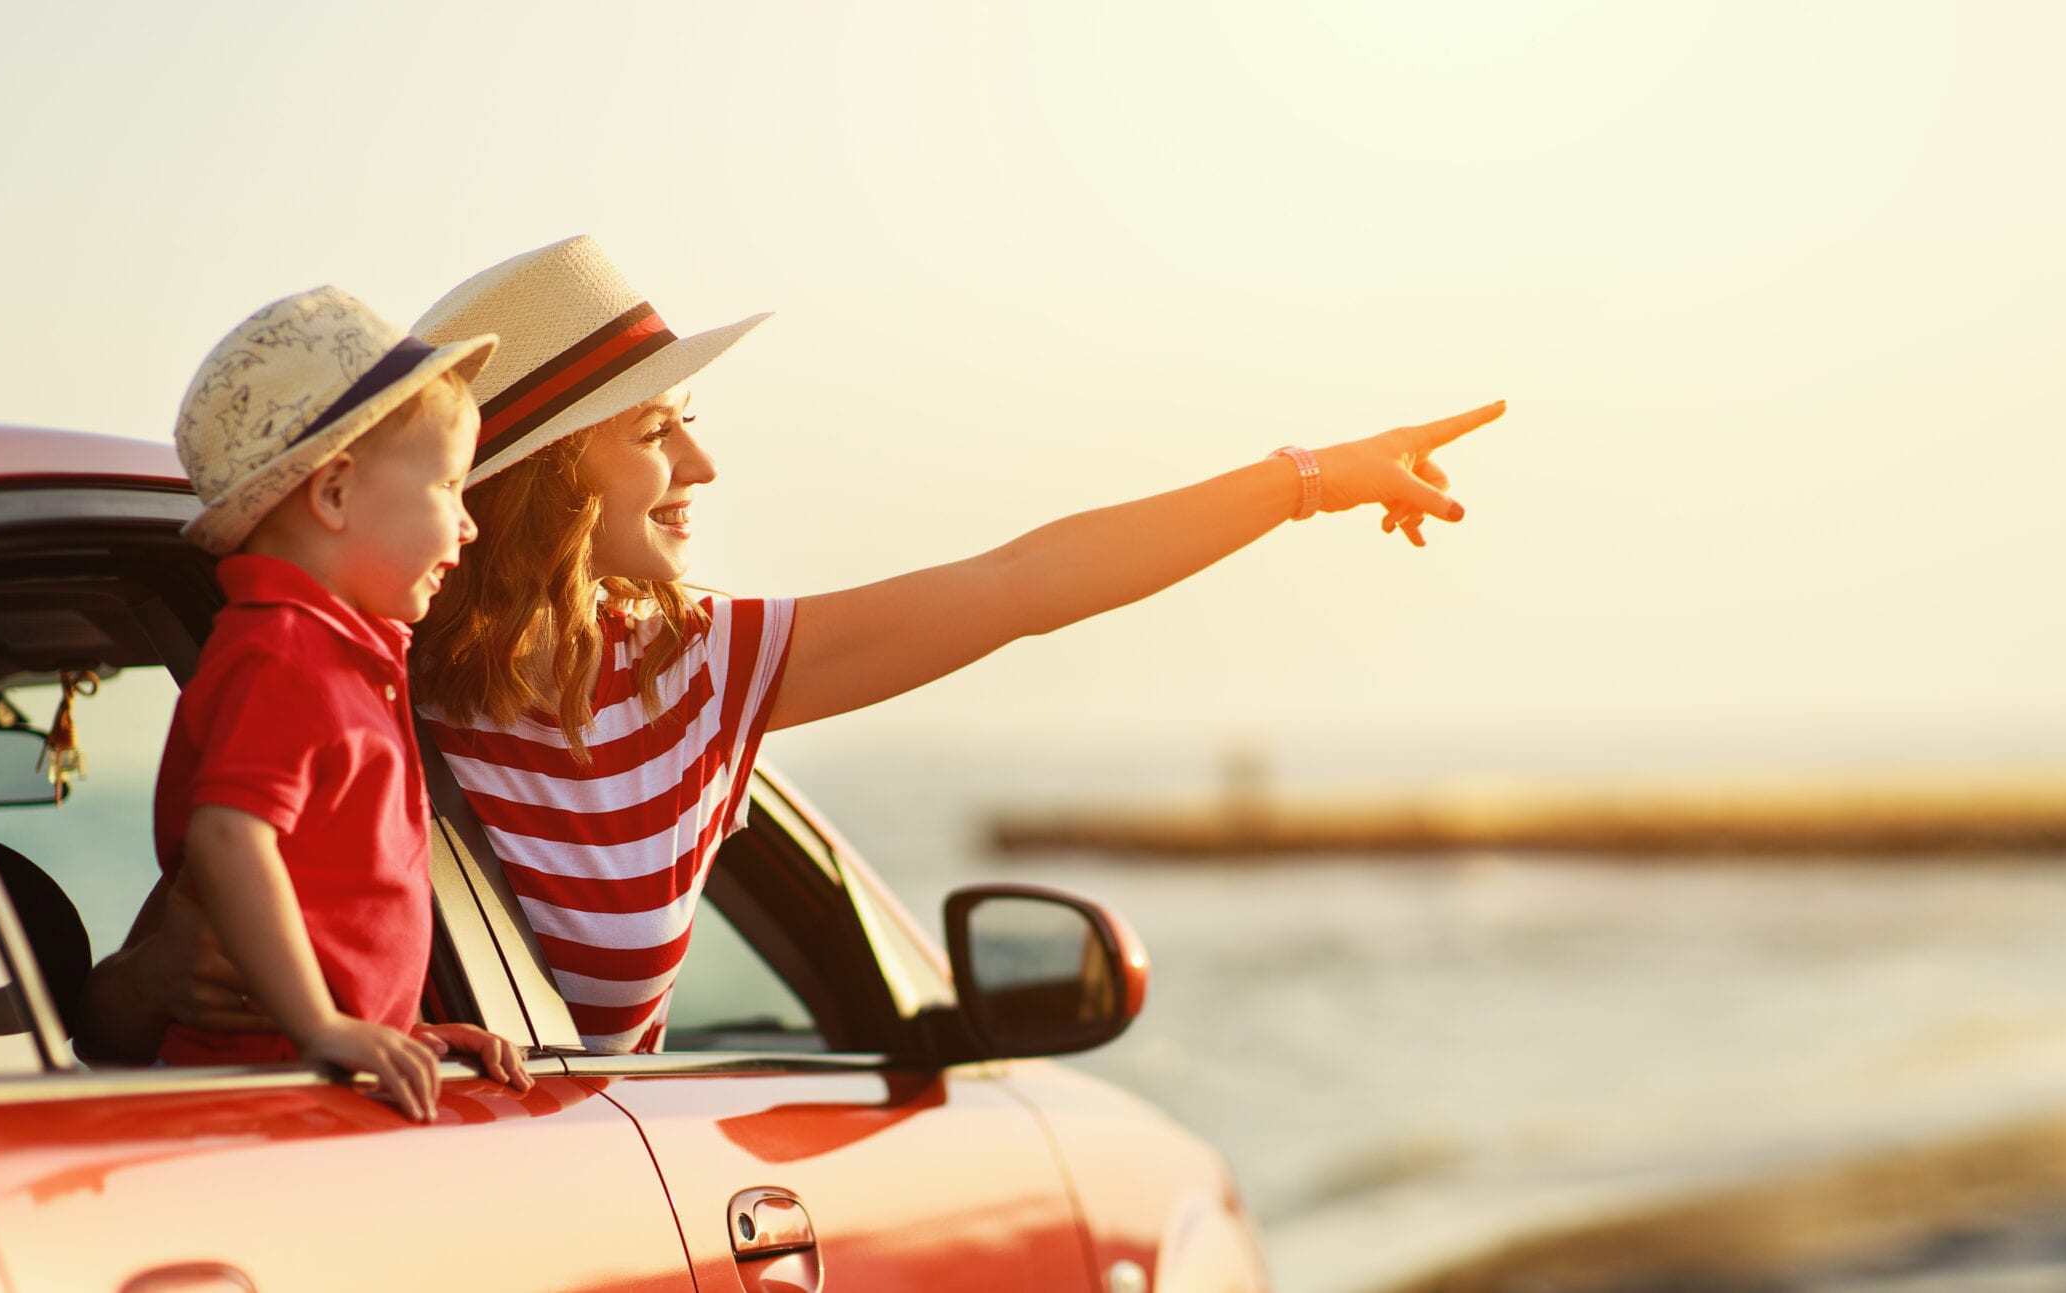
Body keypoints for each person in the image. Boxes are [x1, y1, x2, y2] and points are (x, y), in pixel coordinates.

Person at [81, 237, 1502, 1058]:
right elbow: (198, 943)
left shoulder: (701, 677)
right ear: (544, 479)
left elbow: (1025, 580)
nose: (700, 460)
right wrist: (122, 989)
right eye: (652, 429)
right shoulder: (366, 665)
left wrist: (1310, 478)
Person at [137, 287, 533, 1118]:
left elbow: (336, 894)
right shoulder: (282, 652)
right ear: (337, 495)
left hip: (297, 1076)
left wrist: (403, 1026)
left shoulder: (342, 658)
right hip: (265, 1090)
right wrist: (319, 1023)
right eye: (450, 487)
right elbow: (230, 835)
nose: (468, 527)